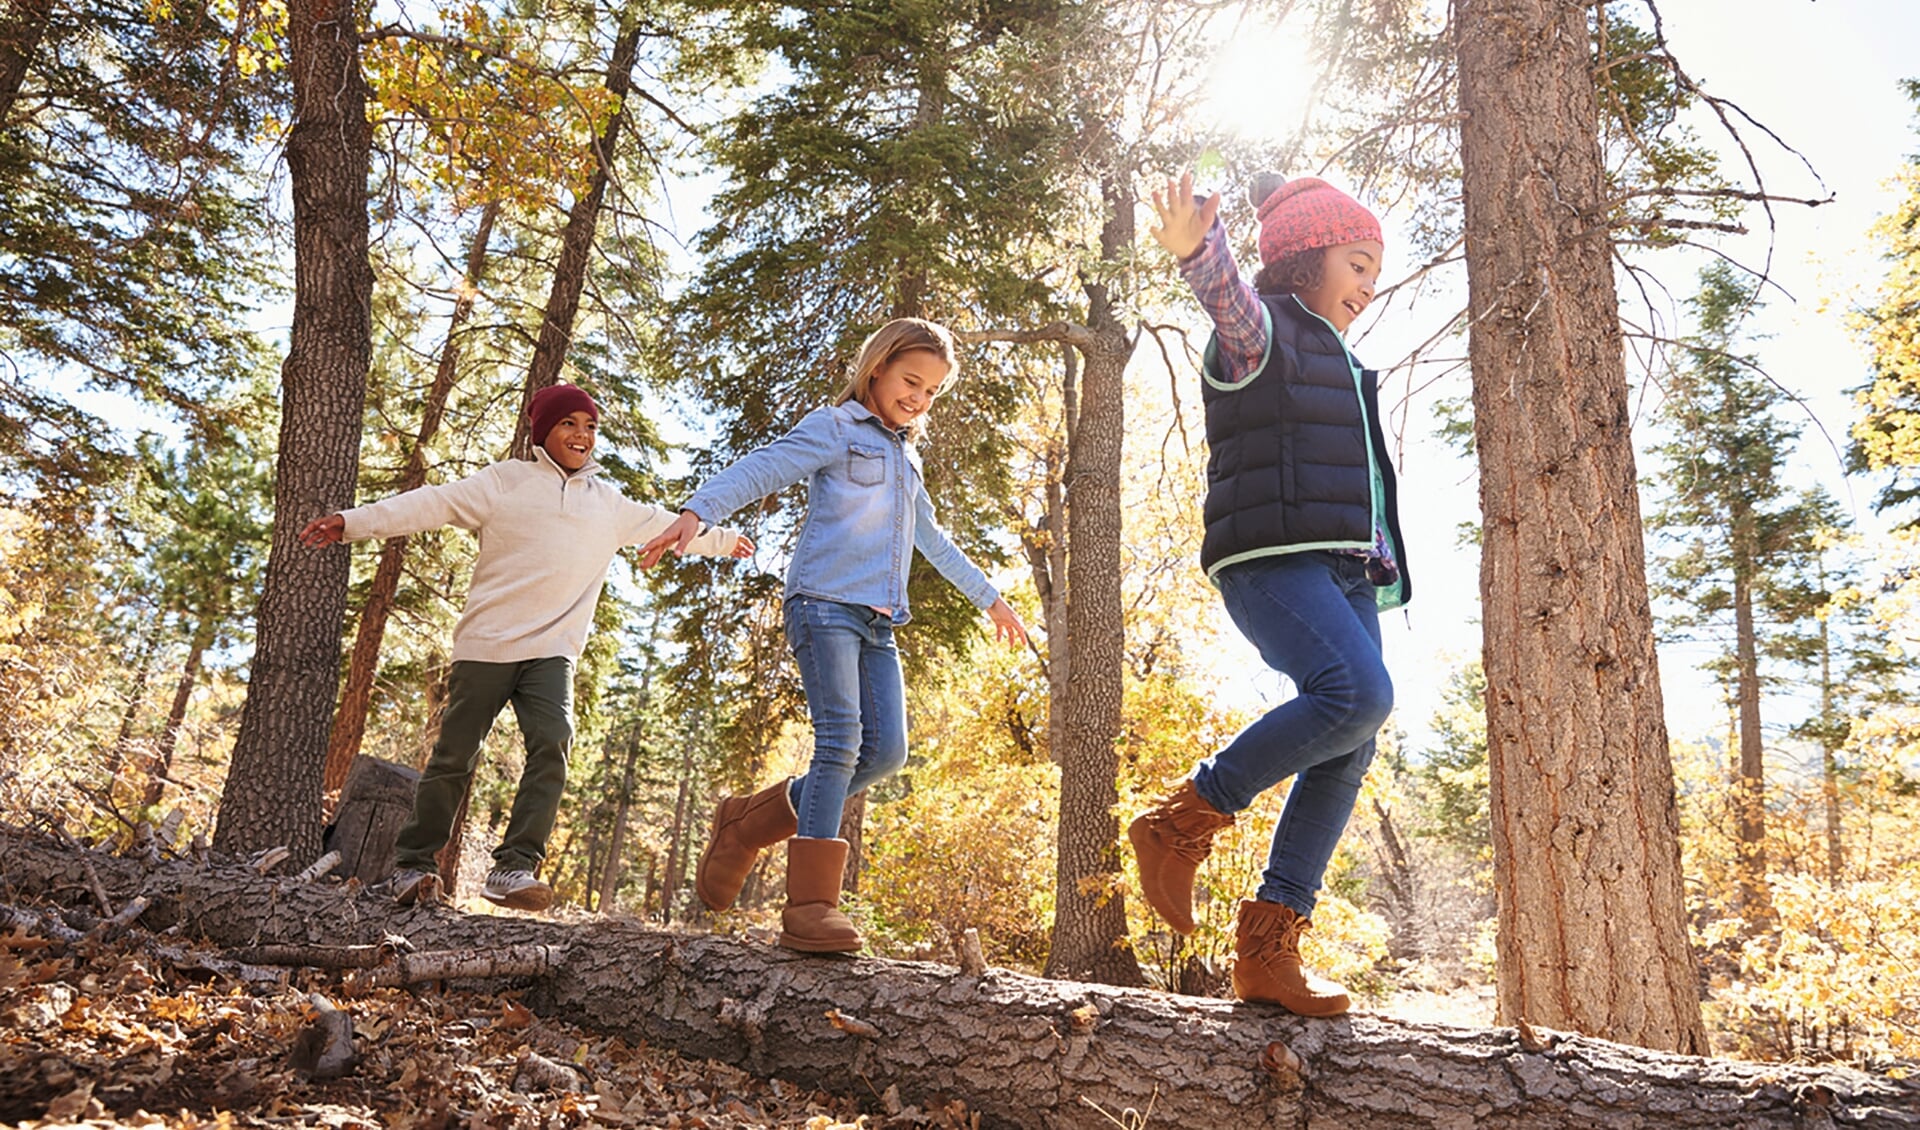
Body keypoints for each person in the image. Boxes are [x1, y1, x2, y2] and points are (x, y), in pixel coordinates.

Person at [639, 317, 1028, 954]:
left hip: (878, 621)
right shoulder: (836, 427)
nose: (919, 399)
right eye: (911, 381)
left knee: (886, 753)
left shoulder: (907, 458)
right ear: (877, 367)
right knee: (841, 740)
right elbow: (764, 468)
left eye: (932, 392)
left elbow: (931, 539)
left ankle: (745, 823)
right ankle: (811, 906)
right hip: (823, 604)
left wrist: (990, 597)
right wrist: (697, 512)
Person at [299, 383, 752, 911]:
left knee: (554, 740)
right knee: (453, 757)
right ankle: (412, 866)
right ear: (544, 431)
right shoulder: (505, 482)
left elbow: (669, 526)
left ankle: (513, 867)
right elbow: (431, 503)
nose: (581, 435)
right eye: (568, 424)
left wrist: (720, 541)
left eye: (590, 426)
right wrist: (351, 522)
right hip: (487, 645)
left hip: (552, 651)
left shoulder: (608, 504)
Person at [1130, 171, 1412, 1016]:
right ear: (1302, 261)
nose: (1369, 285)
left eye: (1375, 270)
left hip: (1345, 569)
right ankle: (1182, 820)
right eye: (1357, 264)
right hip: (1271, 560)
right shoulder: (1266, 335)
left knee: (1351, 739)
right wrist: (1199, 251)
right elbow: (1227, 302)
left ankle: (1268, 949)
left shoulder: (1345, 360)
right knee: (1357, 693)